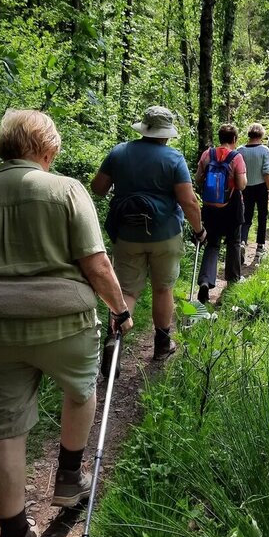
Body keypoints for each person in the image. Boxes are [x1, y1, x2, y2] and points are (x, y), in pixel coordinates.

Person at [0, 109, 133, 537]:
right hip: (64, 321)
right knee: (80, 391)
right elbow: (97, 263)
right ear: (45, 149)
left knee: (5, 430)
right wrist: (121, 310)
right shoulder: (66, 190)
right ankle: (68, 479)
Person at [91, 105, 205, 374]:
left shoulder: (119, 152)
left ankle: (114, 341)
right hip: (165, 234)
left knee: (127, 291)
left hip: (127, 234)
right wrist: (199, 229)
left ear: (144, 128)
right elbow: (188, 201)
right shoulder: (173, 159)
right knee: (163, 289)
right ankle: (162, 346)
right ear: (167, 133)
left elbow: (98, 188)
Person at [196, 124, 247, 302]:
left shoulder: (207, 154)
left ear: (219, 138)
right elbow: (241, 185)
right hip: (231, 206)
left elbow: (198, 178)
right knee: (233, 241)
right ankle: (232, 280)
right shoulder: (236, 157)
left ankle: (205, 281)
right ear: (234, 139)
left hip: (210, 207)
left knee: (212, 244)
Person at [238, 123, 269, 264]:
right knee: (262, 216)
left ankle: (242, 242)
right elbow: (266, 171)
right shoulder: (264, 150)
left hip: (245, 187)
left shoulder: (240, 150)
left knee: (246, 217)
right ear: (261, 135)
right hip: (260, 188)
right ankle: (260, 247)